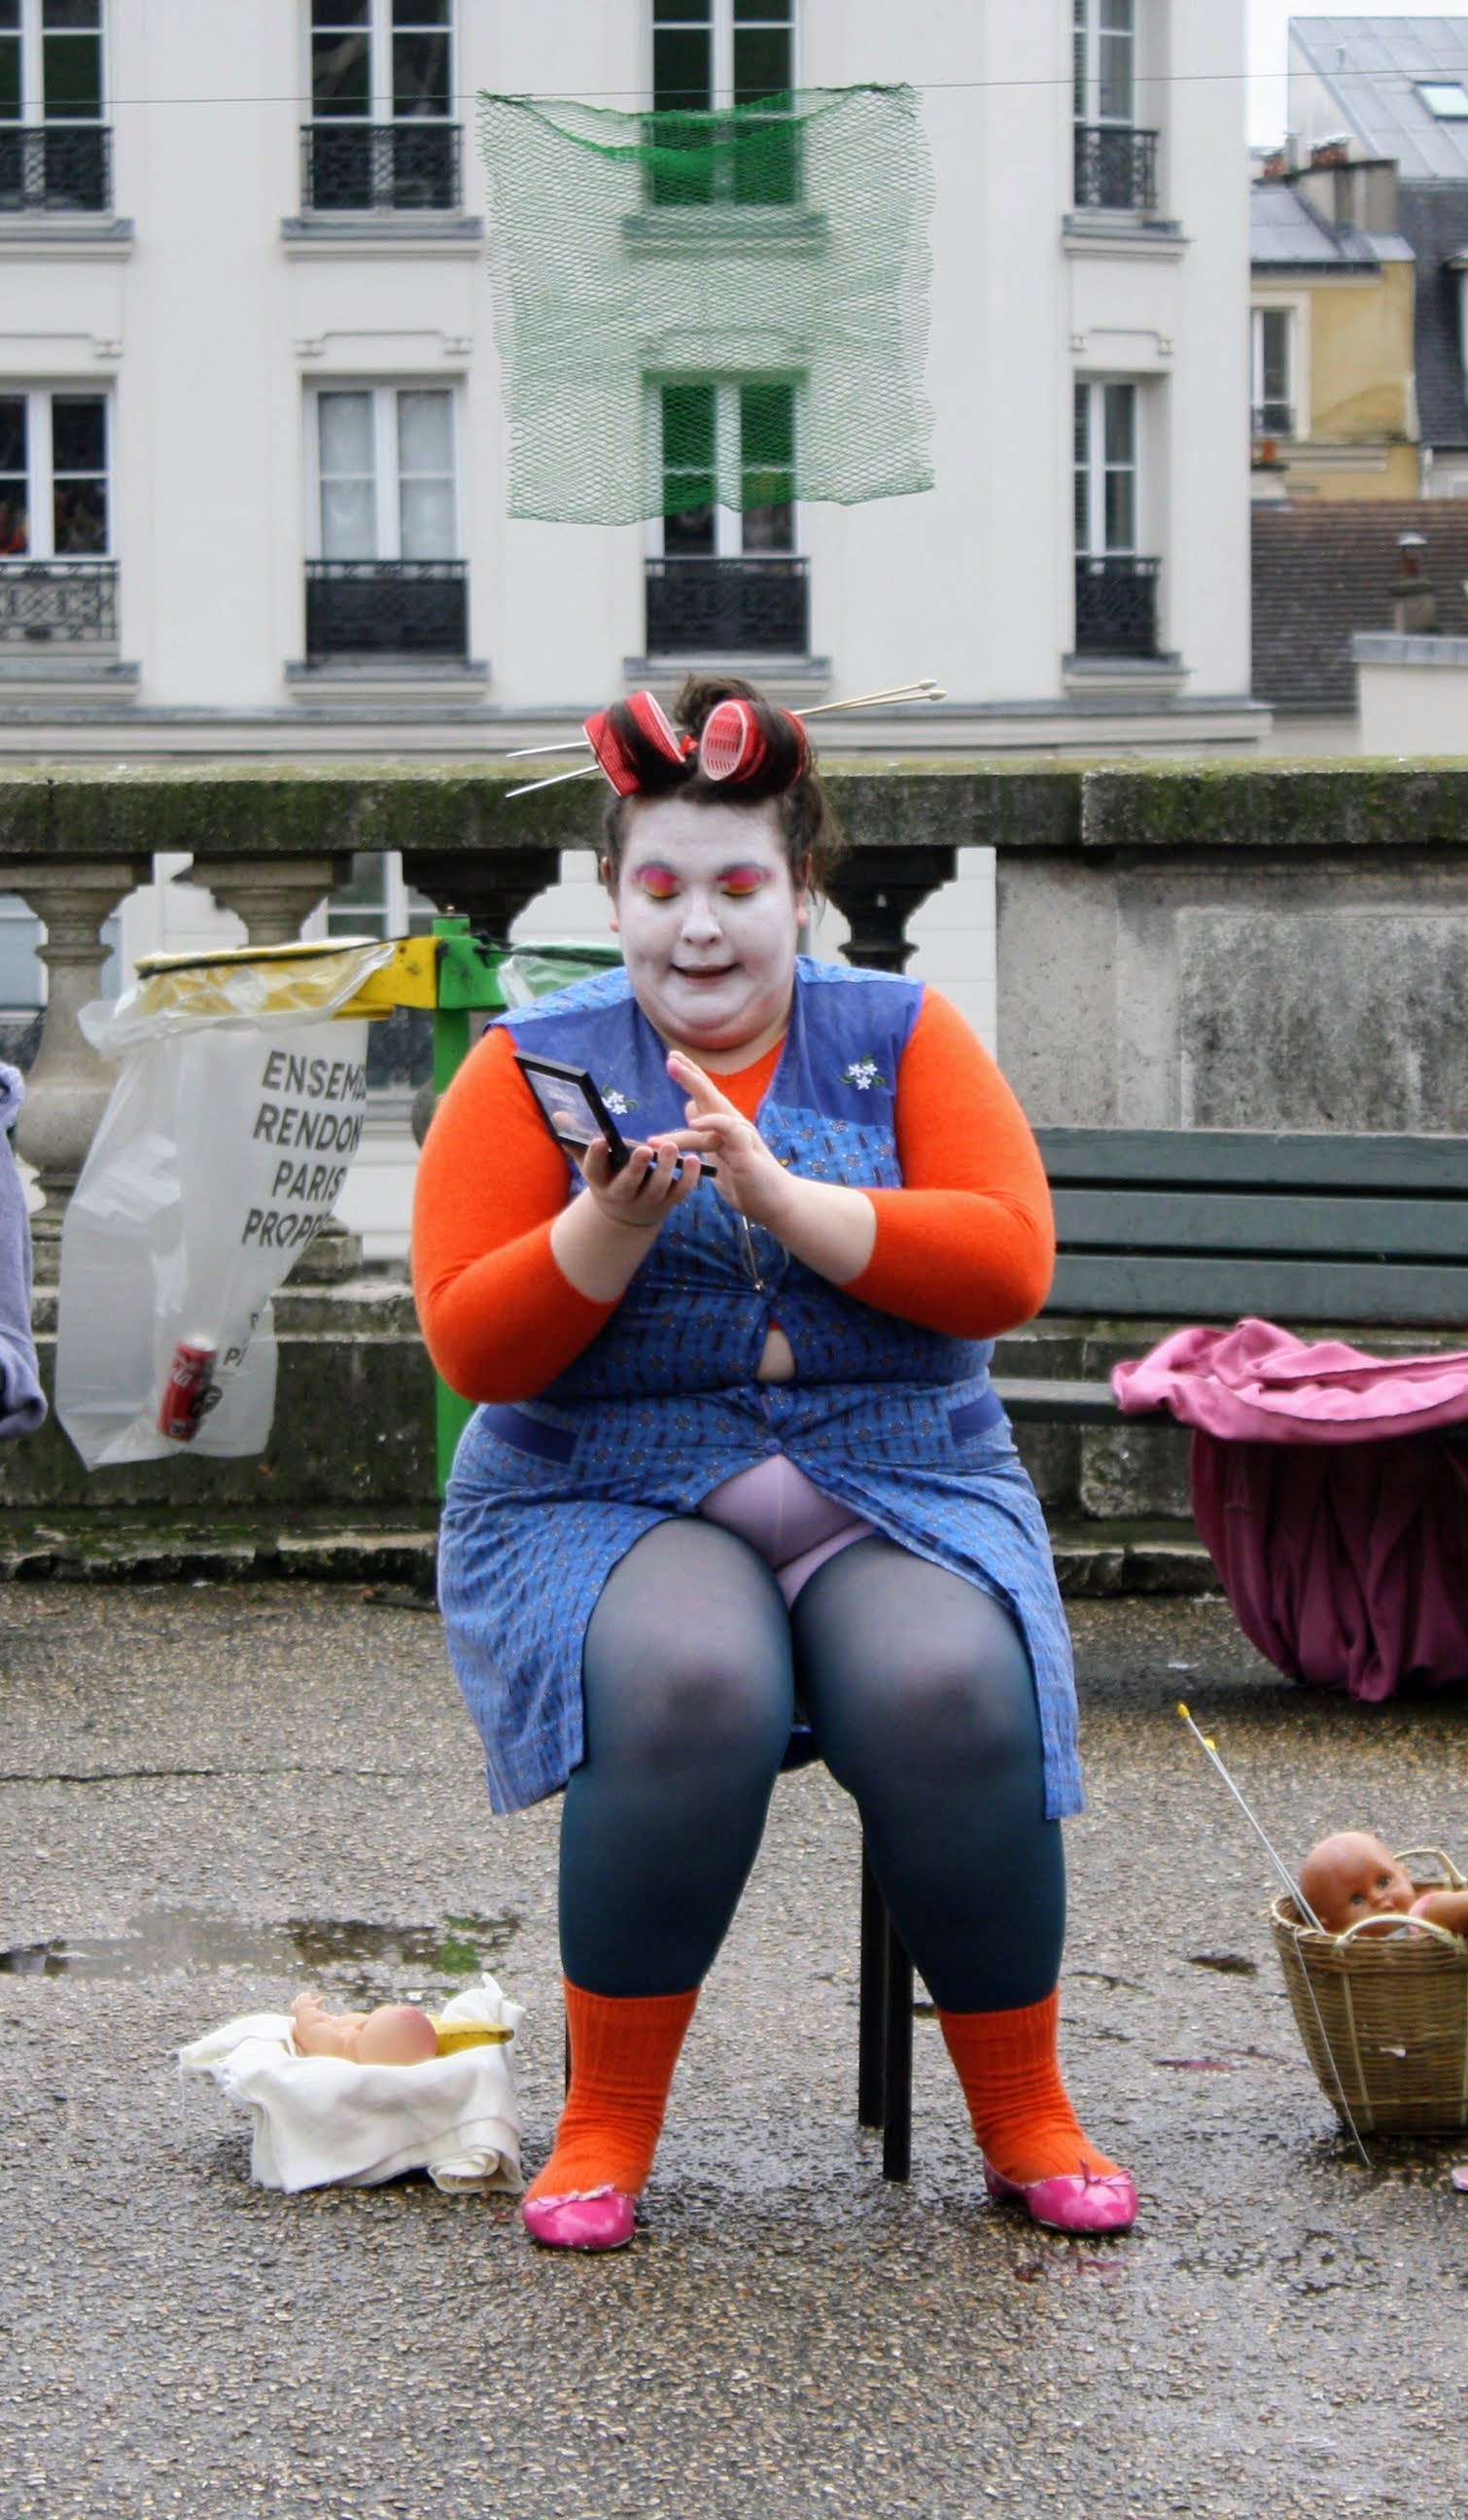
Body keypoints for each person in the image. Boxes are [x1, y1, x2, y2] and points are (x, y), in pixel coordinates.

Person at [415, 676, 1128, 2253]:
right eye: (660, 888)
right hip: (604, 1485)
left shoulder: (903, 1035)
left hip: (898, 1473)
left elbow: (1007, 1265)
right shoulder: (525, 1064)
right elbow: (473, 1346)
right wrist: (604, 1228)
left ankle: (1027, 2111)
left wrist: (786, 1199)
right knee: (692, 1683)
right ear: (611, 893)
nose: (699, 929)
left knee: (951, 1687)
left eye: (738, 887)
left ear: (801, 889)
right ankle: (606, 2126)